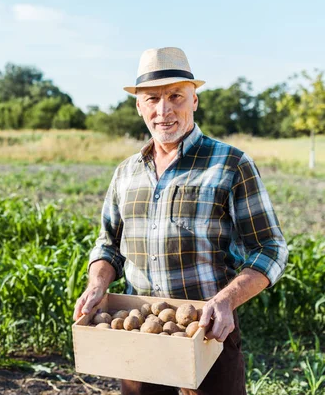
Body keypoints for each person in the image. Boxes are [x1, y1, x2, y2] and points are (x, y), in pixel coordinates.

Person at [72, 47, 288, 395]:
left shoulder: (231, 164)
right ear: (139, 106)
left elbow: (270, 249)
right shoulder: (126, 173)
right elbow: (108, 245)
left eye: (176, 96)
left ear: (195, 101)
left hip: (209, 334)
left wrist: (226, 301)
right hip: (138, 338)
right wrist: (97, 284)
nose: (164, 110)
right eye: (152, 98)